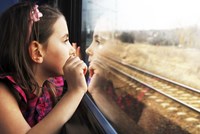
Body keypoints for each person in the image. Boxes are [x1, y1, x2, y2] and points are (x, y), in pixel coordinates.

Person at [0, 2, 87, 134]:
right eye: (65, 40)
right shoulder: (3, 93)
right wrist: (75, 91)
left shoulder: (52, 84)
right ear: (37, 52)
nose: (72, 50)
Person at [86, 16, 145, 134]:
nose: (88, 49)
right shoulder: (102, 78)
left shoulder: (148, 95)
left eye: (99, 41)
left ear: (125, 53)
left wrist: (97, 91)